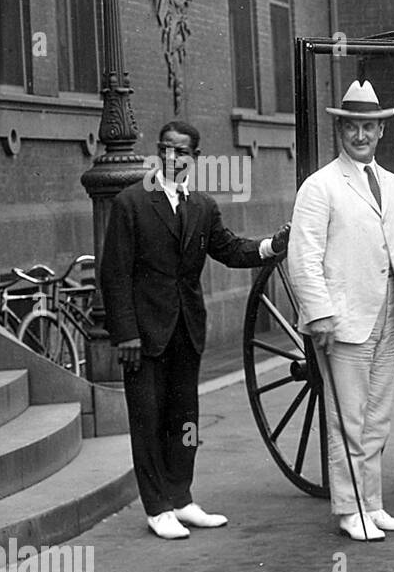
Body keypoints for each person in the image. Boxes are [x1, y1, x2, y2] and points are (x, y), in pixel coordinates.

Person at [100, 120, 289, 539]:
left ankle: (182, 499)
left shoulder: (202, 207)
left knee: (185, 418)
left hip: (186, 329)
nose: (173, 157)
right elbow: (113, 274)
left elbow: (228, 248)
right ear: (158, 151)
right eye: (166, 149)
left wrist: (269, 247)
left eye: (182, 152)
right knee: (148, 419)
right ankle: (157, 507)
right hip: (145, 336)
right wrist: (126, 333)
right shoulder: (131, 203)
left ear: (195, 158)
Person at [287, 80, 394, 542]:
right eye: (353, 127)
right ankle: (350, 509)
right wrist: (320, 314)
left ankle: (373, 504)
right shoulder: (320, 186)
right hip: (345, 319)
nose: (361, 136)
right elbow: (302, 256)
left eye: (369, 127)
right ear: (340, 130)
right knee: (346, 417)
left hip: (389, 314)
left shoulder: (392, 186)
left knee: (377, 415)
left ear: (380, 132)